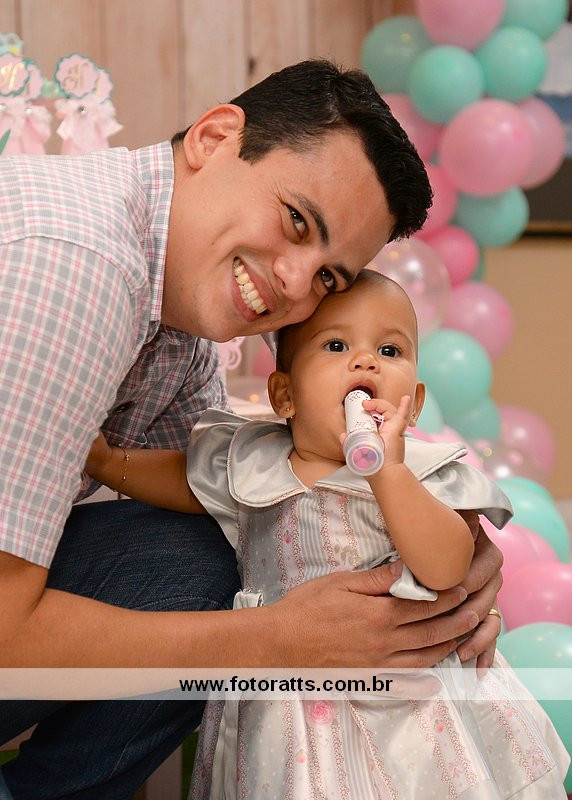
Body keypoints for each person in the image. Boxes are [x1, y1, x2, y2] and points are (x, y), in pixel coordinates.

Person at [0, 60, 503, 799]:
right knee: (218, 581)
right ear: (214, 137)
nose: (296, 285)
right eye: (297, 221)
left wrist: (443, 566)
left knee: (219, 546)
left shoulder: (180, 322)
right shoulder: (78, 265)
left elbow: (232, 495)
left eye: (328, 276)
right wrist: (271, 640)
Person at [86, 270, 569, 799]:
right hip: (290, 705)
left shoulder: (420, 475)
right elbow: (186, 481)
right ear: (284, 395)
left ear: (416, 403)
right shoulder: (254, 463)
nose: (366, 362)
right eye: (336, 345)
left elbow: (447, 567)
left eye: (390, 350)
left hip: (411, 705)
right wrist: (111, 463)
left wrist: (389, 473)